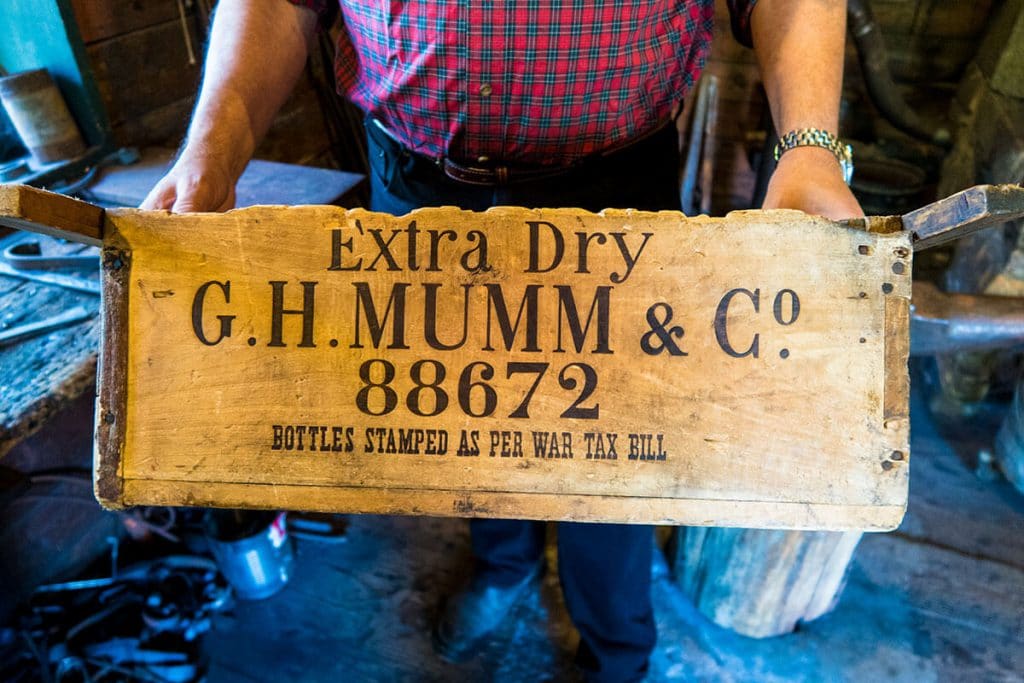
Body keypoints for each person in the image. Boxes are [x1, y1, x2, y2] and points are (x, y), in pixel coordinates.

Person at [143, 1, 863, 680]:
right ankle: (503, 564)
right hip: (416, 184)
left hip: (613, 187)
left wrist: (809, 146)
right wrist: (213, 147)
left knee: (615, 446)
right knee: (463, 414)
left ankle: (617, 643)